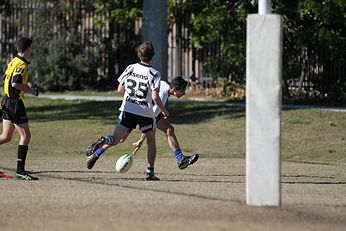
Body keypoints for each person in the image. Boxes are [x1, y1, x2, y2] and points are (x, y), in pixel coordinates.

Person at [86, 41, 168, 181]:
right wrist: (164, 110)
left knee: (116, 139)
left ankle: (103, 139)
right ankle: (150, 172)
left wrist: (131, 98)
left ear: (138, 54)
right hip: (145, 112)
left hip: (128, 109)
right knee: (151, 142)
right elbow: (154, 96)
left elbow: (120, 89)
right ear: (152, 56)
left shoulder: (130, 68)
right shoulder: (154, 74)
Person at [120, 76, 199, 170]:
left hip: (143, 111)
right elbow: (150, 119)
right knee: (120, 139)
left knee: (169, 130)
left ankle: (180, 159)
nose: (184, 93)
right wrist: (141, 140)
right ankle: (100, 148)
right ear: (175, 90)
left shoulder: (164, 86)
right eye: (183, 90)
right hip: (136, 112)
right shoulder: (163, 94)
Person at [0, 37, 39, 180]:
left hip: (6, 100)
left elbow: (7, 78)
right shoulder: (21, 64)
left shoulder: (13, 61)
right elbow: (15, 83)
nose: (31, 51)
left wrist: (25, 79)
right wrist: (32, 91)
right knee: (25, 136)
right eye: (31, 48)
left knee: (5, 137)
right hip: (15, 103)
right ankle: (20, 171)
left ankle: (20, 170)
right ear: (27, 49)